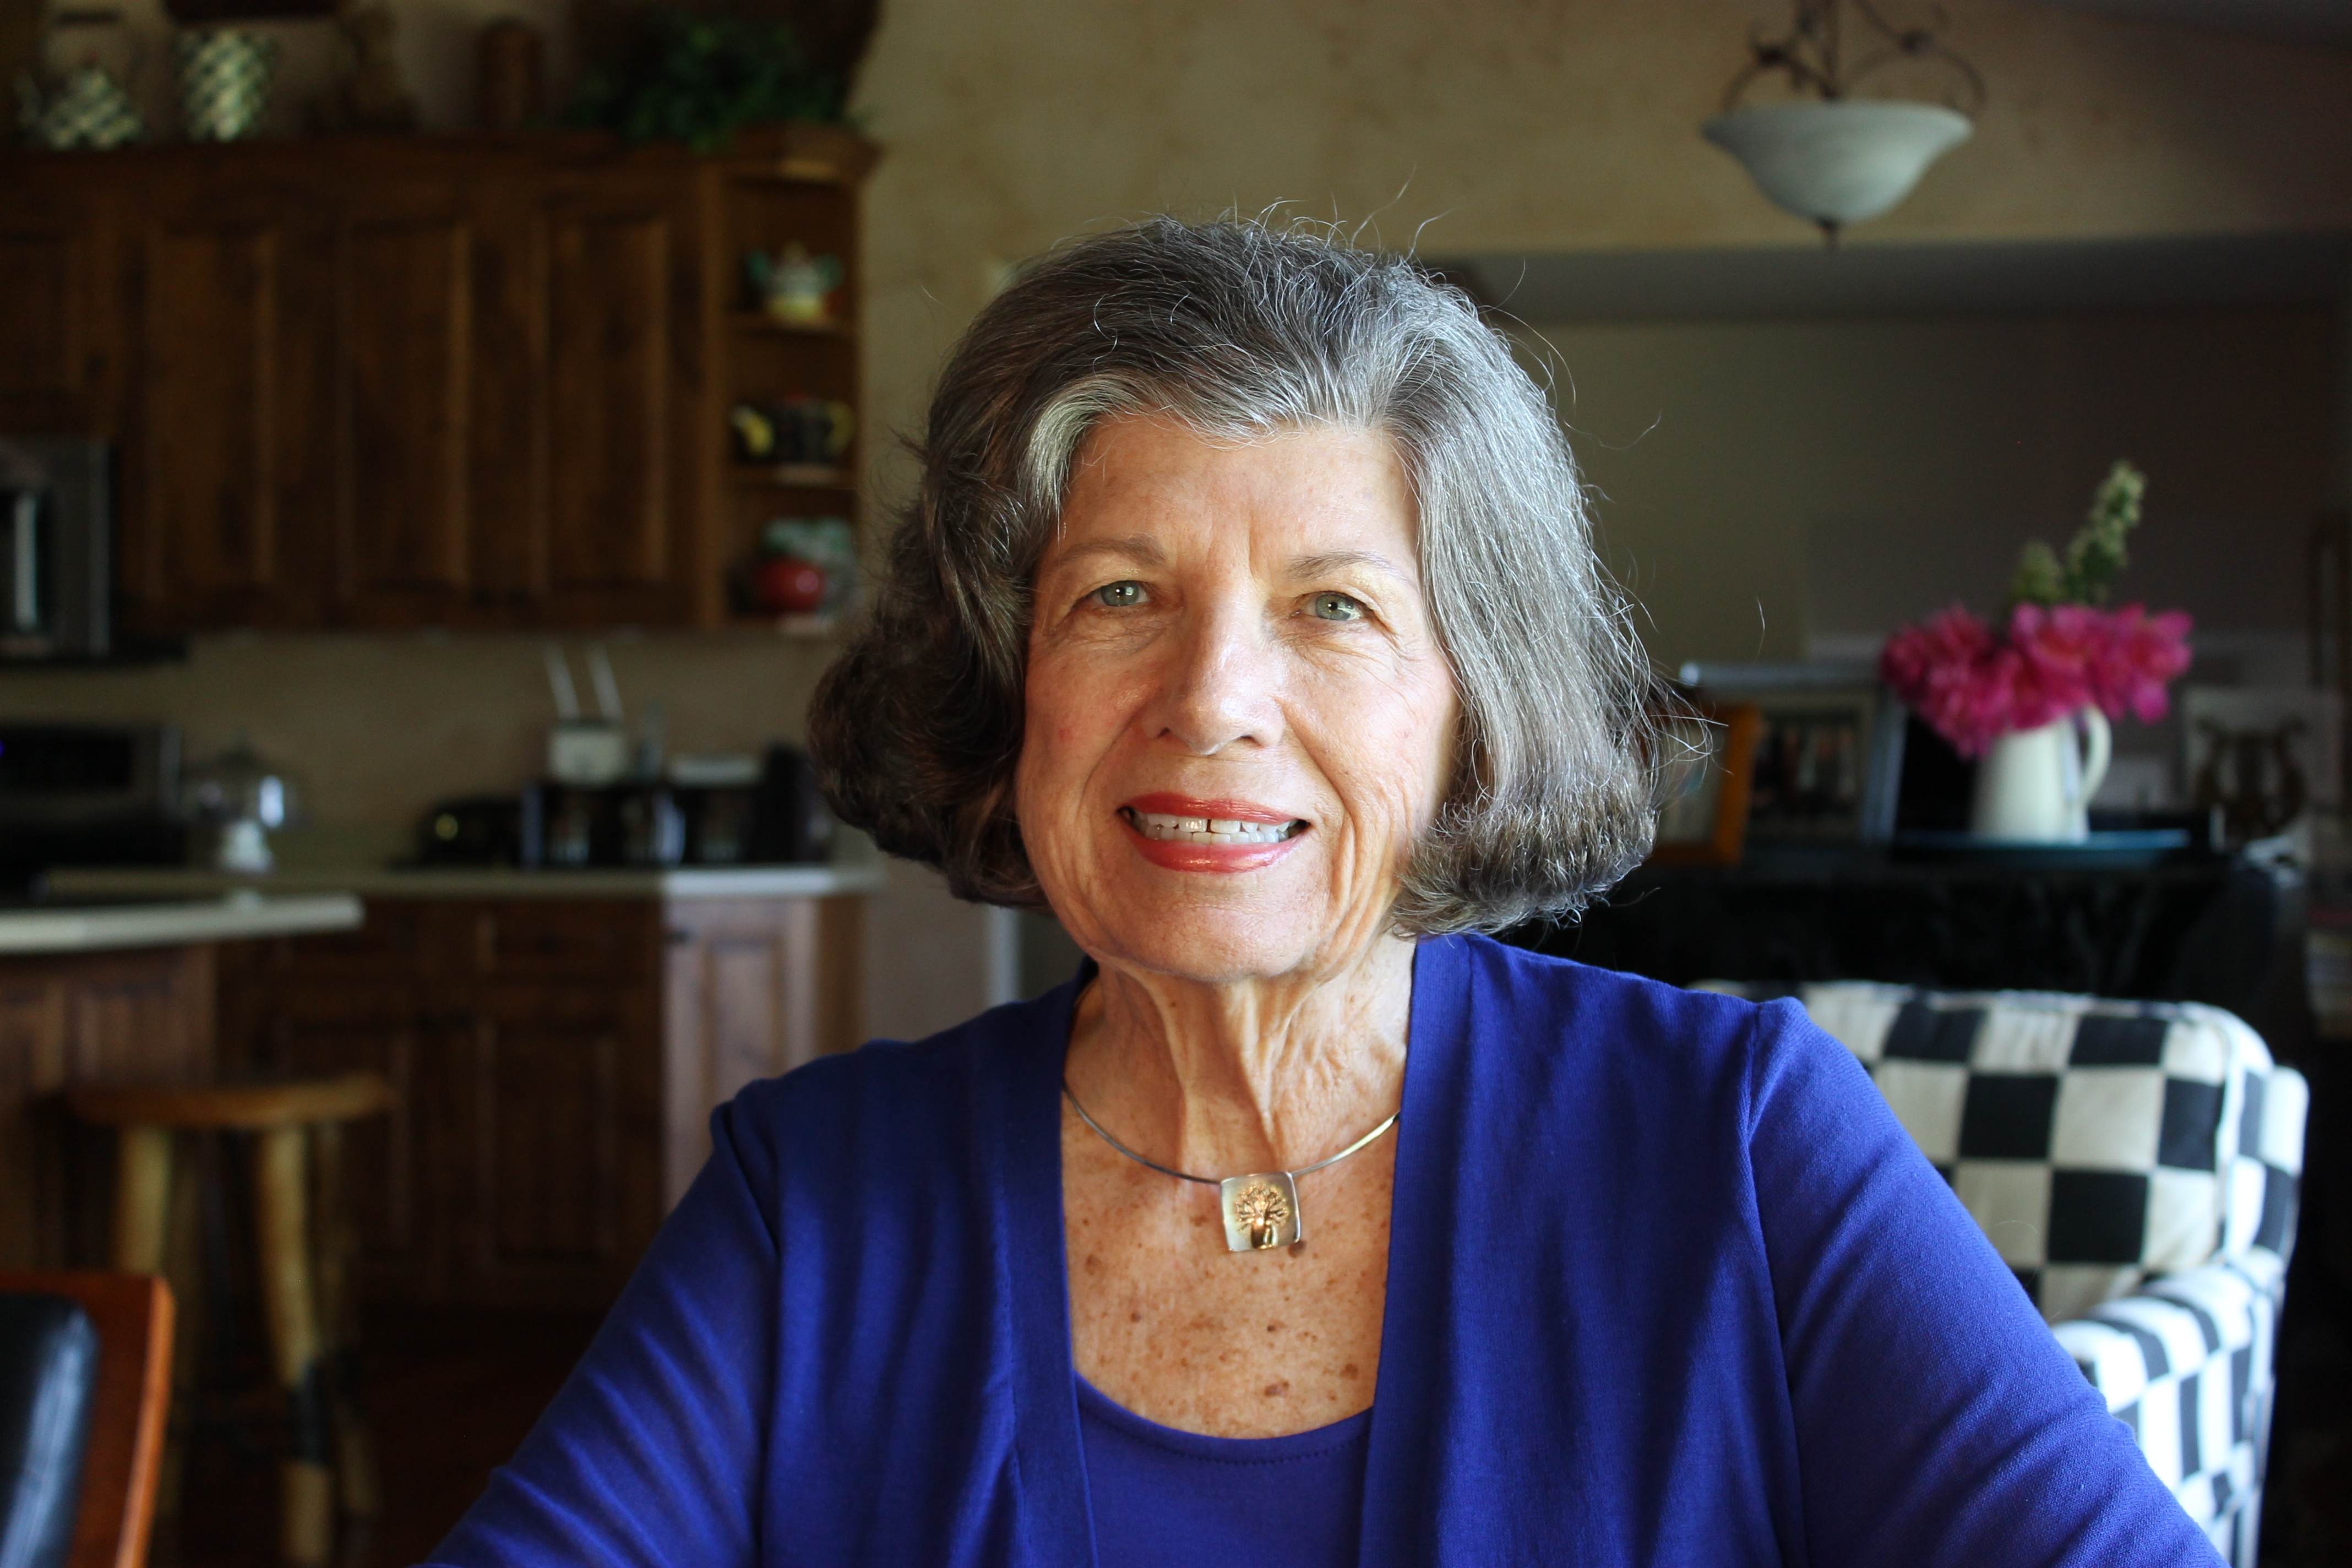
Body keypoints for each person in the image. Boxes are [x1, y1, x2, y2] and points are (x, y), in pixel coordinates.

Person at [426, 219, 2219, 1567]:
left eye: (1333, 606)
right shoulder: (812, 1204)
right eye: (1118, 594)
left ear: (1467, 709)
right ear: (1010, 686)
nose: (1209, 699)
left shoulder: (1737, 1149)